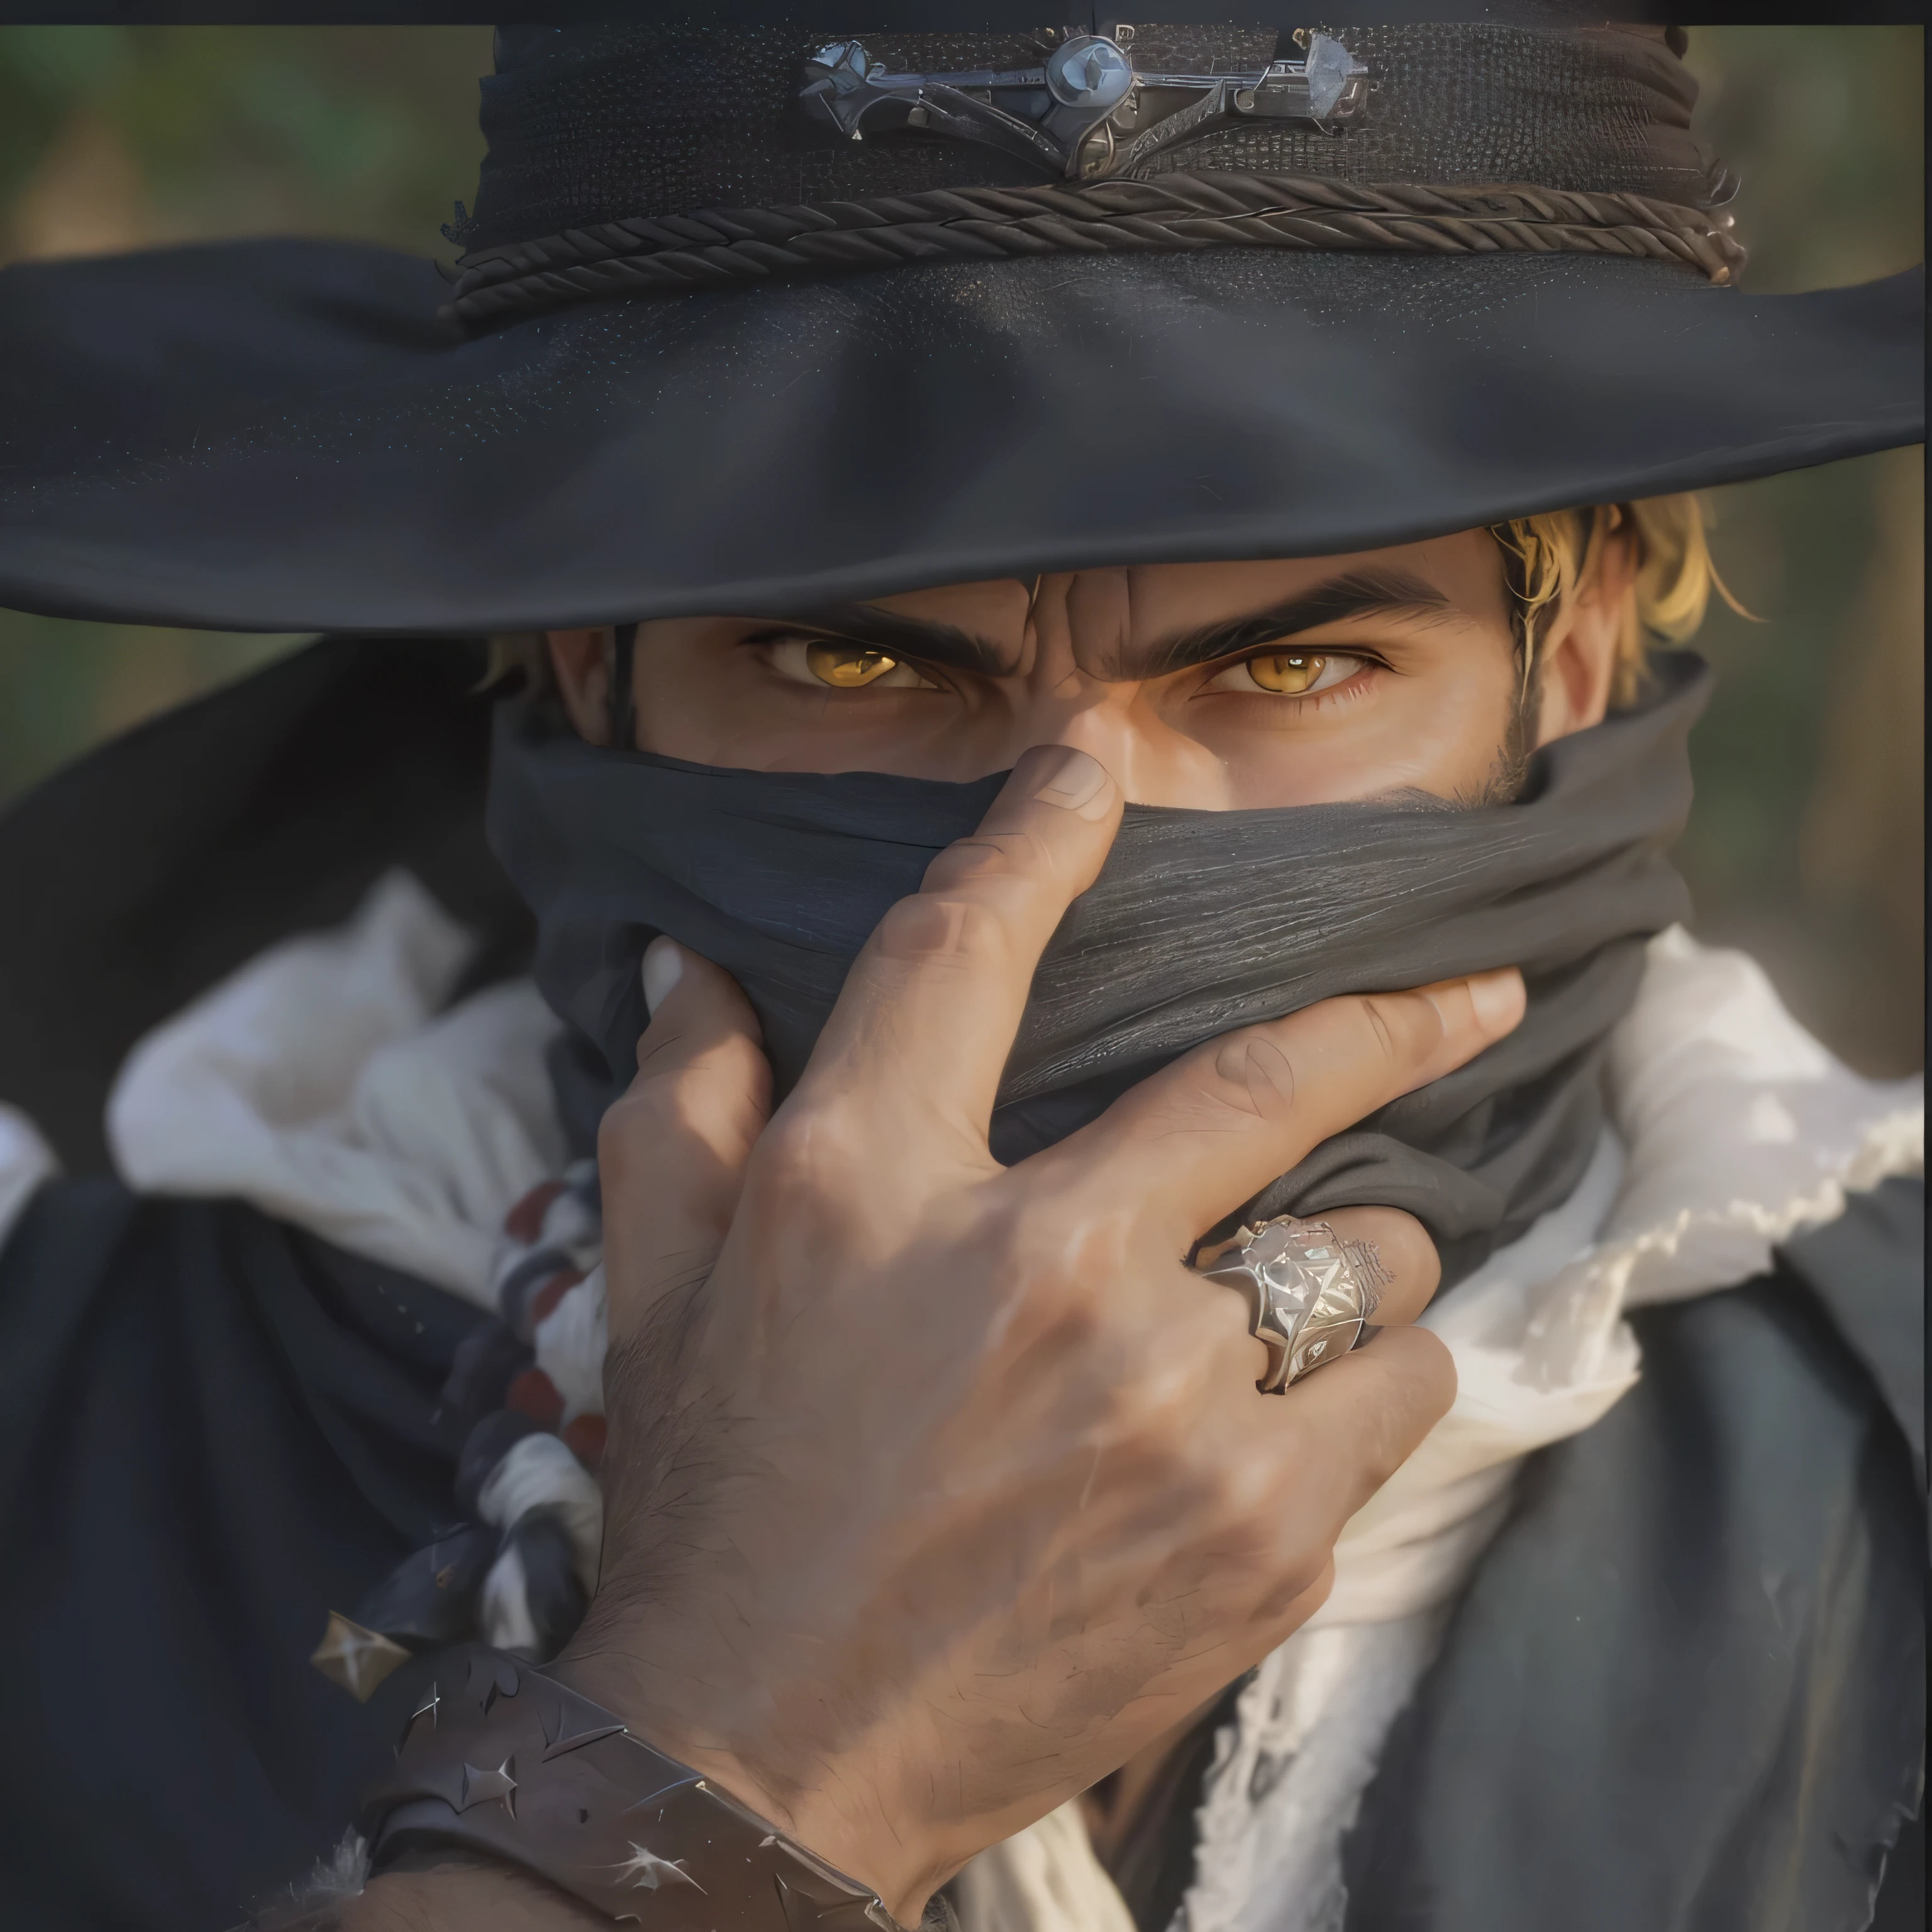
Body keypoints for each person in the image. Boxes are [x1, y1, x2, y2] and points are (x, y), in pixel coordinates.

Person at [0, 14, 1920, 1932]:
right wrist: (748, 1741)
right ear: (585, 651)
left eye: (1291, 666)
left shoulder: (1885, 1463)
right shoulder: (67, 1439)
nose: (1056, 858)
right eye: (859, 665)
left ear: (1568, 650)